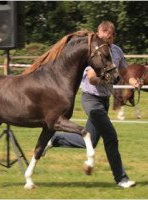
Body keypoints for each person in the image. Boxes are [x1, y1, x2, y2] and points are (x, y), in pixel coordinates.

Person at [44, 21, 140, 188]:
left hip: (104, 101)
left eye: (108, 38)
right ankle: (121, 179)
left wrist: (133, 82)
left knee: (89, 141)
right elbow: (91, 79)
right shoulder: (93, 52)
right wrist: (109, 78)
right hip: (91, 100)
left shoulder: (117, 51)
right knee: (111, 137)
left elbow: (124, 71)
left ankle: (55, 139)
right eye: (101, 37)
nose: (104, 41)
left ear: (113, 36)